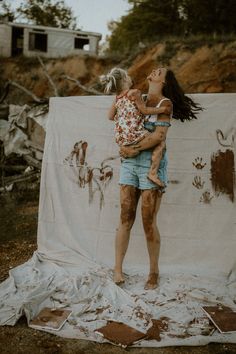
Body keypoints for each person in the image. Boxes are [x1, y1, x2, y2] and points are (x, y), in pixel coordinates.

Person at [113, 67, 202, 289]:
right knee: (125, 216)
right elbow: (121, 119)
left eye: (159, 71)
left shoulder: (165, 105)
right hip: (129, 165)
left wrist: (132, 149)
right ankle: (117, 269)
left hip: (150, 164)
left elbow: (159, 136)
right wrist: (124, 148)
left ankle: (154, 272)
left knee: (148, 221)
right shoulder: (137, 97)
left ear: (164, 81)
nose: (154, 70)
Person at [100, 67, 171, 187]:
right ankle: (153, 173)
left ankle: (132, 154)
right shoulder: (135, 93)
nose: (129, 77)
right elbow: (144, 110)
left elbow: (110, 116)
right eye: (127, 76)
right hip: (135, 134)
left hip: (121, 138)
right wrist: (162, 109)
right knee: (160, 143)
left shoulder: (117, 99)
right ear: (124, 80)